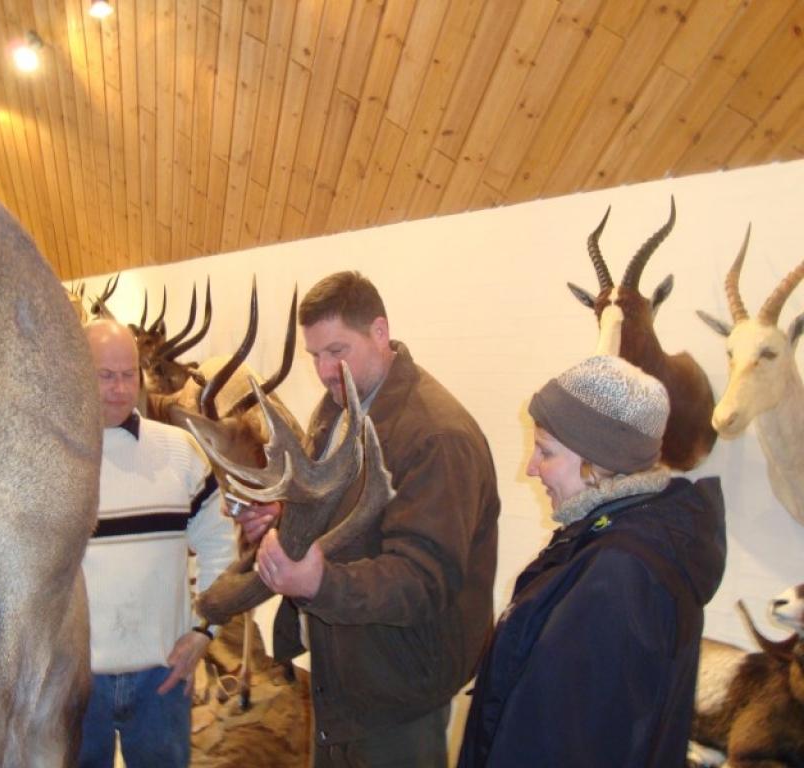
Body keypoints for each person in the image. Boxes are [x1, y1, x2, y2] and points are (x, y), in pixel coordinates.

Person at [243, 271, 501, 768]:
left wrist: (320, 584)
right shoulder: (338, 408)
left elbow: (423, 578)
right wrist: (284, 513)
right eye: (314, 355)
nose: (323, 370)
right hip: (344, 663)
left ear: (379, 333)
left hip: (399, 689)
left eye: (336, 351)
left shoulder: (437, 437)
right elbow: (339, 504)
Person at [458, 355, 726, 768]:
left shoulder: (619, 577)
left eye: (545, 451)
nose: (530, 468)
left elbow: (564, 747)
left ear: (598, 461)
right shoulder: (605, 541)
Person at [78, 319, 235, 768]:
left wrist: (206, 629)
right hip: (78, 683)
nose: (120, 388)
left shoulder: (179, 451)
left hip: (163, 676)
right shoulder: (52, 462)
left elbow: (221, 546)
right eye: (105, 375)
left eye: (129, 374)